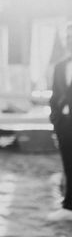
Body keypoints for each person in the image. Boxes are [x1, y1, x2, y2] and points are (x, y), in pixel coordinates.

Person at [48, 22, 72, 221]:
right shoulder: (60, 66)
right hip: (64, 124)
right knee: (68, 163)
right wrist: (55, 119)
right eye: (68, 37)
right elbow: (55, 95)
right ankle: (69, 206)